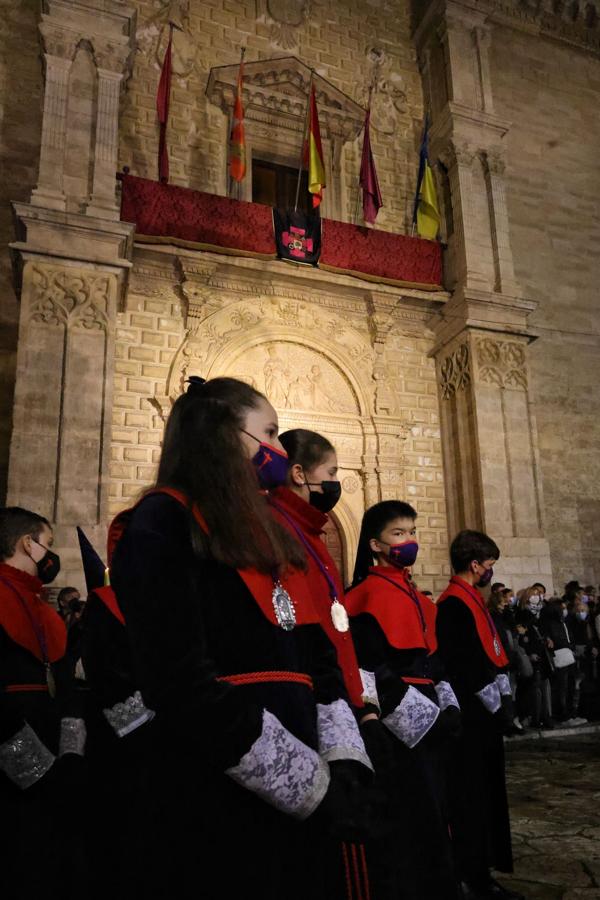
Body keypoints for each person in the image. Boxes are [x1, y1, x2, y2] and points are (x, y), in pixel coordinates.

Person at [108, 377, 374, 900]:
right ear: (225, 433)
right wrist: (306, 782)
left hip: (307, 760)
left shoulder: (269, 526)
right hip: (222, 774)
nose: (279, 448)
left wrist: (342, 758)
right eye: (270, 432)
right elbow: (178, 678)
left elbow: (316, 651)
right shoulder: (163, 519)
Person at [346, 500, 460, 900]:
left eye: (412, 532)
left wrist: (448, 704)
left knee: (438, 807)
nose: (409, 541)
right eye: (399, 533)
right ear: (376, 545)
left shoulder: (416, 595)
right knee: (411, 812)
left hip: (431, 712)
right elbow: (371, 668)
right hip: (400, 725)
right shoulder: (362, 596)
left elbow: (434, 659)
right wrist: (422, 717)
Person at [0, 507, 86, 899]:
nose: (51, 557)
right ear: (26, 544)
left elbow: (66, 687)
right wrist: (36, 767)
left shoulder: (43, 610)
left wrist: (70, 756)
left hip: (54, 758)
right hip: (12, 756)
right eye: (47, 546)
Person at [435, 529, 523, 900]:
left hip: (483, 717)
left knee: (485, 794)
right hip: (470, 718)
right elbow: (463, 663)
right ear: (475, 565)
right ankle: (474, 872)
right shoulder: (454, 604)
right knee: (472, 797)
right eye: (489, 565)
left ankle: (482, 867)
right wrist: (493, 700)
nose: (490, 571)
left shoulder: (471, 599)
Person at [514, 588, 554, 729]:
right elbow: (521, 637)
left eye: (537, 595)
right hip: (533, 656)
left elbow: (544, 630)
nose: (536, 597)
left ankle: (546, 716)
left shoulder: (540, 614)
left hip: (543, 655)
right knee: (535, 689)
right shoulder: (522, 615)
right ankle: (536, 717)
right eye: (533, 595)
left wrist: (548, 638)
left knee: (545, 687)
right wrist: (529, 653)